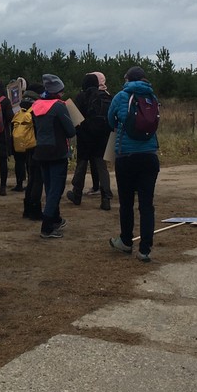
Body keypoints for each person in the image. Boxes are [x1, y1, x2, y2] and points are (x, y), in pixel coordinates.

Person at [107, 66, 160, 262]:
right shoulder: (152, 97)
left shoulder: (121, 96)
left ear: (128, 79)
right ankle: (145, 249)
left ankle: (126, 241)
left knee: (126, 203)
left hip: (126, 156)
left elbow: (110, 120)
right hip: (149, 156)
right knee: (147, 205)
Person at [32, 74, 76, 239]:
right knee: (56, 189)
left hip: (41, 150)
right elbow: (70, 131)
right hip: (57, 151)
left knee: (50, 187)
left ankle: (55, 219)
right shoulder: (59, 106)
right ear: (58, 91)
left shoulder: (37, 105)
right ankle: (47, 226)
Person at [66, 72, 113, 210]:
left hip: (85, 138)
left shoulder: (81, 96)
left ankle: (77, 194)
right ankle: (106, 198)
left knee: (81, 166)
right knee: (102, 167)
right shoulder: (106, 97)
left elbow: (74, 118)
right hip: (101, 138)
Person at [19, 82, 45, 221]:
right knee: (37, 179)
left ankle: (27, 209)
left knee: (31, 178)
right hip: (37, 144)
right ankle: (35, 210)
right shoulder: (37, 106)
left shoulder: (23, 104)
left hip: (26, 145)